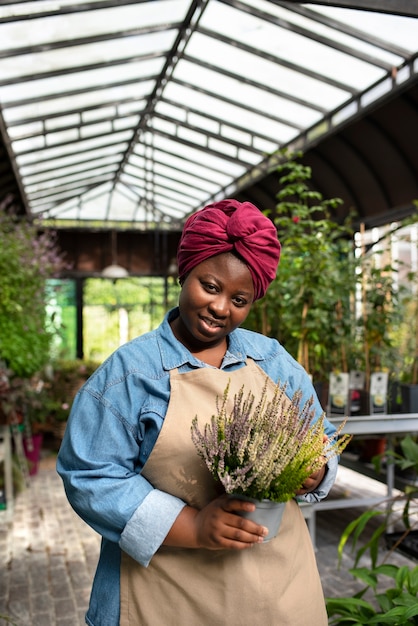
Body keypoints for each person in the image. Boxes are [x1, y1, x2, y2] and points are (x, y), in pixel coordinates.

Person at [57, 199, 338, 626]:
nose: (221, 307)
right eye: (210, 286)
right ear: (183, 273)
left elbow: (321, 436)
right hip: (166, 597)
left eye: (239, 299)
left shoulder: (274, 361)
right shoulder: (130, 374)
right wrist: (195, 527)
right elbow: (89, 475)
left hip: (278, 595)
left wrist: (317, 468)